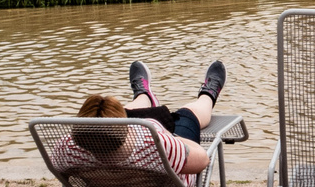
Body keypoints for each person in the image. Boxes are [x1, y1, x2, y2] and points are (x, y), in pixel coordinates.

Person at [74, 60, 227, 175]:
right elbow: (203, 159)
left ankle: (143, 95)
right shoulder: (162, 146)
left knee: (107, 115)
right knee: (188, 114)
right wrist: (169, 136)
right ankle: (208, 94)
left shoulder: (68, 150)